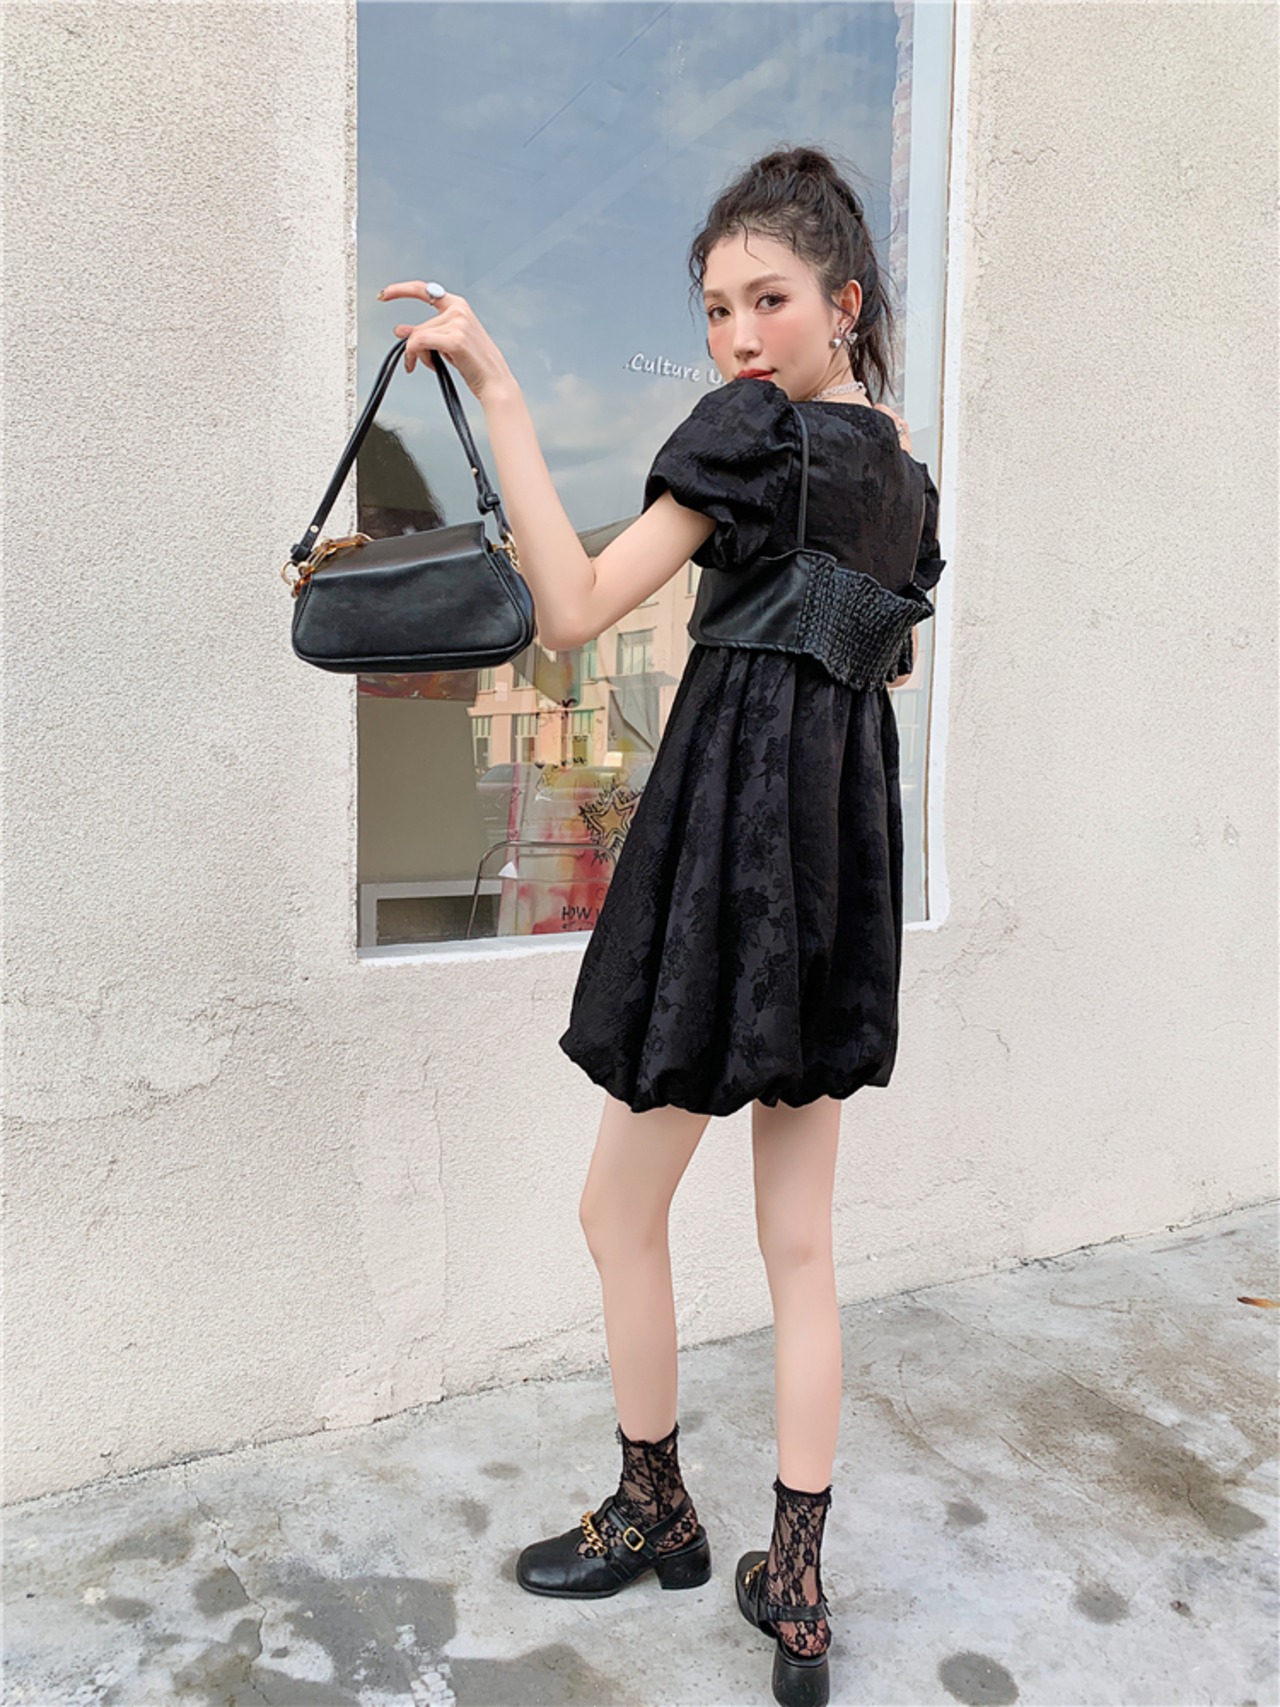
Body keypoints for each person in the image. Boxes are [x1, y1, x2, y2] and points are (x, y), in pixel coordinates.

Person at [378, 142, 947, 1707]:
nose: (738, 336)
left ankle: (655, 1507)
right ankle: (799, 1587)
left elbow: (573, 609)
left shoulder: (748, 437)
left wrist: (498, 383)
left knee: (617, 1214)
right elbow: (888, 666)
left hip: (728, 865)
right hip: (836, 873)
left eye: (769, 300)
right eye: (714, 309)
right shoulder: (901, 469)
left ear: (844, 302)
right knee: (803, 1246)